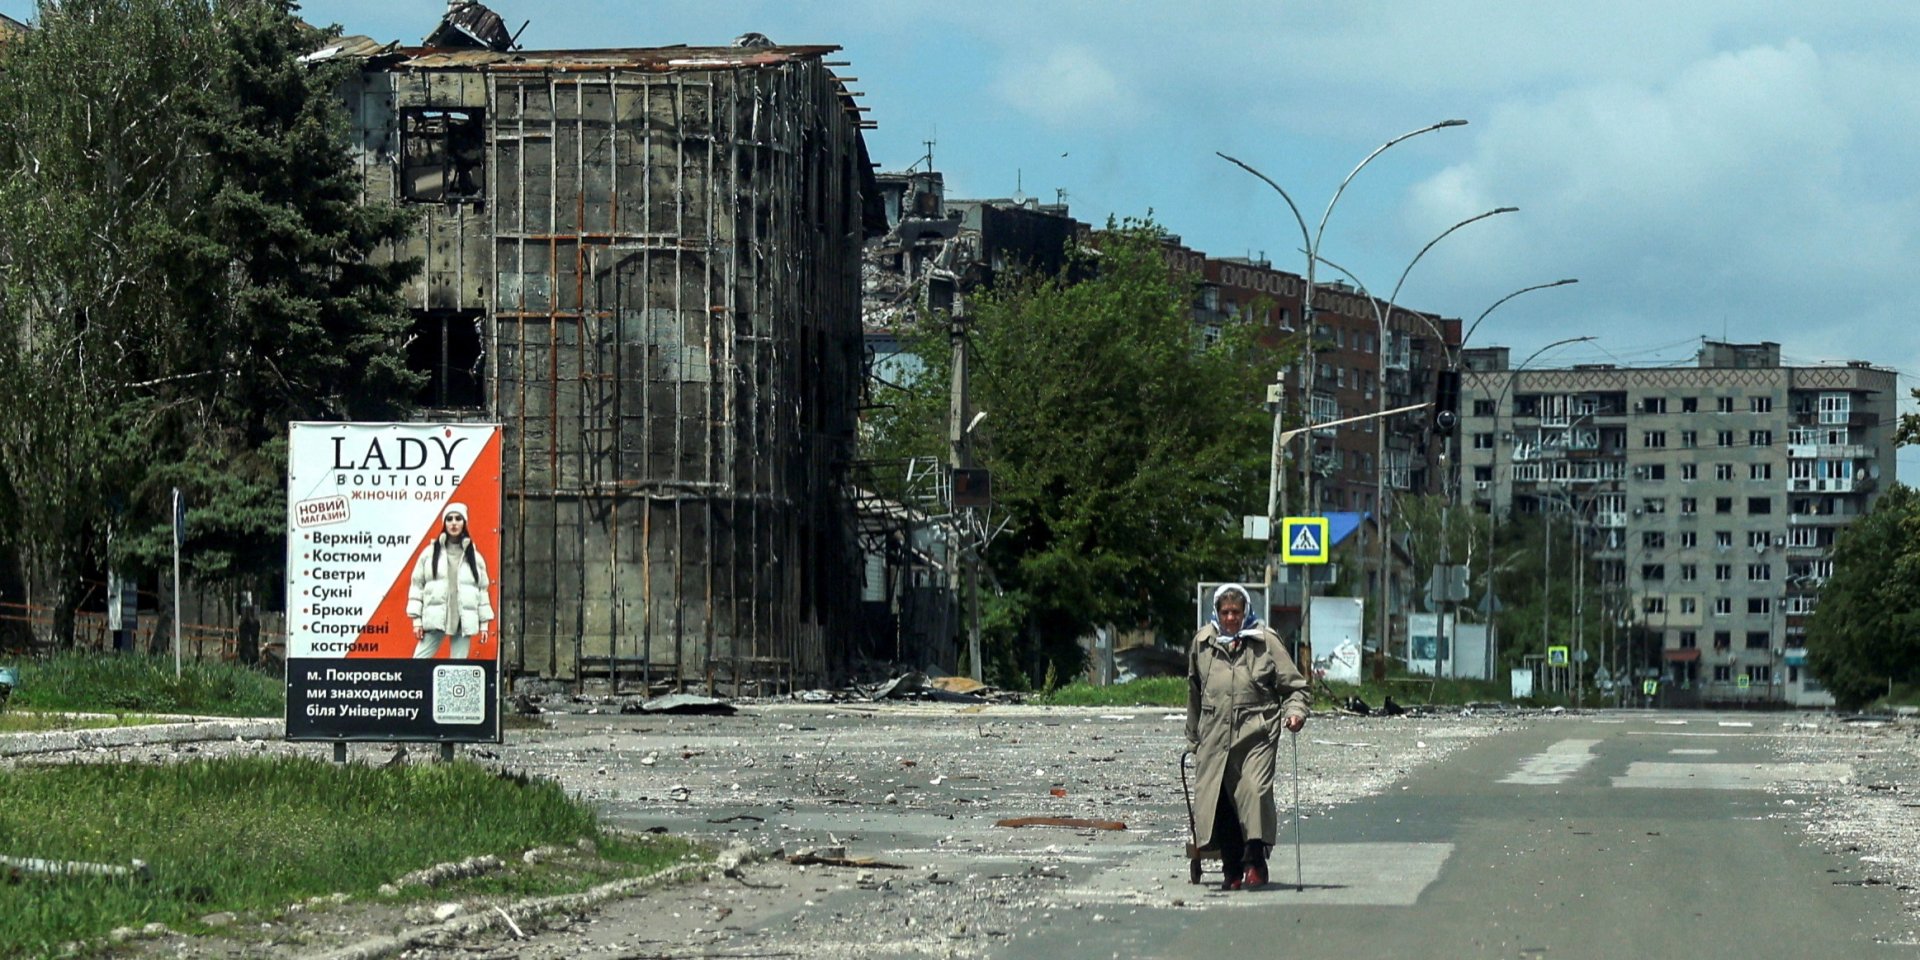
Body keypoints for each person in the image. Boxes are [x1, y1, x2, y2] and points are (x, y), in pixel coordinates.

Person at [1186, 582, 1310, 890]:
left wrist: (1295, 713)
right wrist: (1193, 737)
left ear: (1246, 613)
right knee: (1221, 801)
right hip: (1215, 734)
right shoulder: (1203, 643)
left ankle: (1255, 861)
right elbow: (1194, 692)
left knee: (1253, 791)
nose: (1230, 618)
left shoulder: (1265, 642)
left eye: (1236, 612)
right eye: (1225, 612)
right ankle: (1232, 870)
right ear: (1216, 613)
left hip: (1257, 730)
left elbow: (1295, 687)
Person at [407, 502, 494, 659]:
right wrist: (417, 622)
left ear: (464, 523)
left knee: (458, 670)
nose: (454, 523)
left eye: (458, 519)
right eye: (449, 519)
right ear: (444, 523)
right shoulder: (429, 553)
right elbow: (417, 586)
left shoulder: (474, 556)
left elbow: (482, 591)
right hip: (435, 619)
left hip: (462, 621)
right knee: (418, 664)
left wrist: (484, 625)